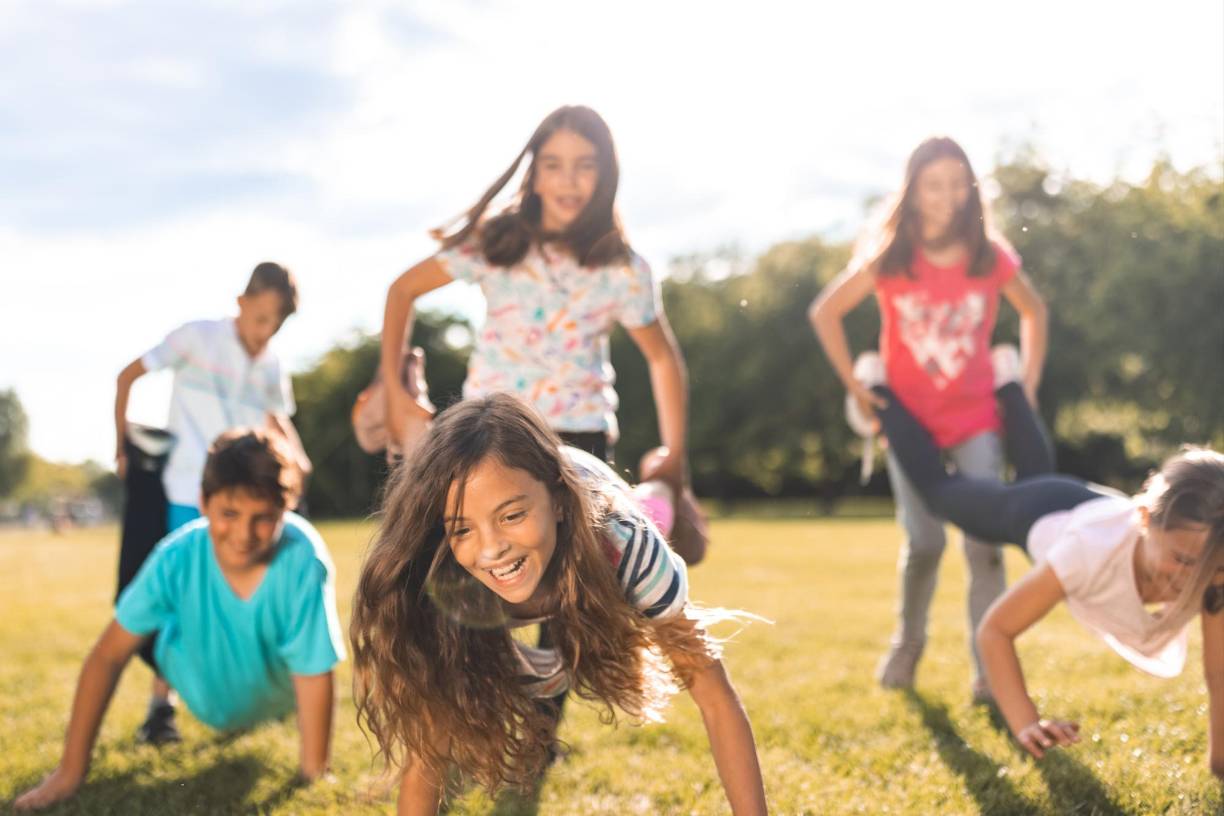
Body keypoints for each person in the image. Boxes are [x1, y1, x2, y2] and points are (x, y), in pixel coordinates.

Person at [349, 394, 767, 815]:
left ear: (559, 504)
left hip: (608, 500)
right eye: (463, 529)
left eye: (511, 516)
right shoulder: (443, 579)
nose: (491, 549)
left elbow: (715, 699)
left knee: (663, 513)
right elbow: (427, 754)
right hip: (554, 496)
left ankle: (665, 477)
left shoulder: (623, 545)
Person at [863, 364, 1224, 778]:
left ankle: (1007, 380)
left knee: (1038, 473)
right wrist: (1026, 721)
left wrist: (1220, 763)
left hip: (1089, 504)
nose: (1192, 579)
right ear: (1144, 520)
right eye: (1181, 560)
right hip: (1040, 511)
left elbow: (1219, 672)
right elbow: (995, 631)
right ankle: (880, 390)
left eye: (1212, 567)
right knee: (942, 493)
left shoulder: (1214, 562)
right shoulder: (1087, 553)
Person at [808, 136, 1048, 700]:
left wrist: (1026, 387)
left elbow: (1034, 310)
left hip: (975, 419)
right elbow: (826, 311)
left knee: (984, 543)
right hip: (908, 422)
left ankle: (989, 670)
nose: (948, 196)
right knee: (925, 543)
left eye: (958, 183)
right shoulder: (891, 256)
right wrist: (855, 387)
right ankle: (907, 644)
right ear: (913, 191)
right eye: (934, 184)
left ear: (971, 189)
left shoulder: (990, 256)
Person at [14, 429, 346, 811]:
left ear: (286, 511)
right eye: (230, 514)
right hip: (197, 687)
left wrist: (314, 773)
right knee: (154, 622)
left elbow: (315, 671)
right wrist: (69, 773)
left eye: (263, 518)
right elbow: (107, 656)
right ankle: (162, 704)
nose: (243, 533)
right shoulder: (176, 556)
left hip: (273, 695)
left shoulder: (303, 558)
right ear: (203, 502)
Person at [378, 105, 688, 490]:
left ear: (605, 174)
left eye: (585, 165)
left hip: (580, 442)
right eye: (553, 165)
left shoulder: (622, 269)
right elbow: (402, 290)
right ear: (535, 175)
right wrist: (392, 391)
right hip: (489, 433)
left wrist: (676, 455)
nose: (568, 181)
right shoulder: (495, 242)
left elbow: (662, 357)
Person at [112, 261, 312, 743]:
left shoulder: (271, 364)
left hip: (247, 498)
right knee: (183, 600)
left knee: (241, 598)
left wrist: (299, 461)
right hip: (187, 493)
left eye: (277, 324)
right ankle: (161, 709)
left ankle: (243, 695)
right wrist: (123, 445)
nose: (266, 332)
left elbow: (276, 421)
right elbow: (127, 376)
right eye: (261, 318)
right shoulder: (196, 338)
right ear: (241, 303)